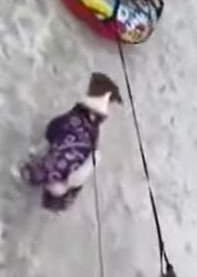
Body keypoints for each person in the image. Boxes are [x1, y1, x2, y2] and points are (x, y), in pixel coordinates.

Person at [20, 71, 121, 212]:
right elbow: (34, 159)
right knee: (79, 118)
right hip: (63, 126)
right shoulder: (42, 173)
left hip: (82, 131)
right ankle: (100, 90)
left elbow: (95, 157)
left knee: (93, 117)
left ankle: (104, 92)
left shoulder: (74, 180)